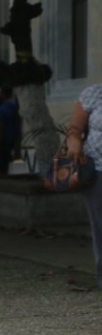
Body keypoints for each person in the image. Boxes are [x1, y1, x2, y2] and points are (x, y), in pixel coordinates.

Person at [66, 86, 102, 288]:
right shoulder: (93, 94)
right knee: (100, 224)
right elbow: (75, 128)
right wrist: (74, 141)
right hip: (98, 168)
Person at [0, 86, 21, 176]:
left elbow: (0, 127)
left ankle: (3, 174)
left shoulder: (1, 109)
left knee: (3, 160)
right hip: (15, 136)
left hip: (5, 138)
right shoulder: (15, 107)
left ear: (2, 95)